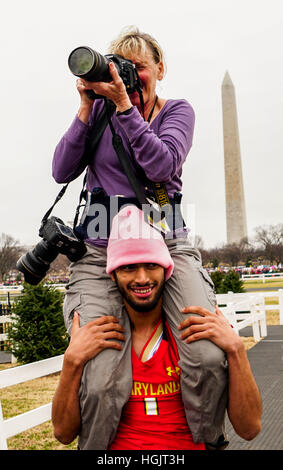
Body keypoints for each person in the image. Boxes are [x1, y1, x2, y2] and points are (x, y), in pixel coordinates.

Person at [52, 26, 228, 449]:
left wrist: (125, 107)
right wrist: (85, 108)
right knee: (99, 369)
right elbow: (61, 170)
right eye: (121, 67)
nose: (130, 75)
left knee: (205, 353)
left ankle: (206, 440)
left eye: (139, 68)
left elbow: (161, 168)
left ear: (160, 69)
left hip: (166, 241)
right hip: (99, 247)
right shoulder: (98, 112)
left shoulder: (176, 111)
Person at [52, 205, 262, 450]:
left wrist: (236, 348)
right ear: (112, 275)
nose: (142, 278)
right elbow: (63, 434)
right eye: (129, 267)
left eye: (151, 265)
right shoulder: (97, 339)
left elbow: (249, 429)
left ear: (167, 269)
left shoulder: (195, 334)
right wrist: (71, 361)